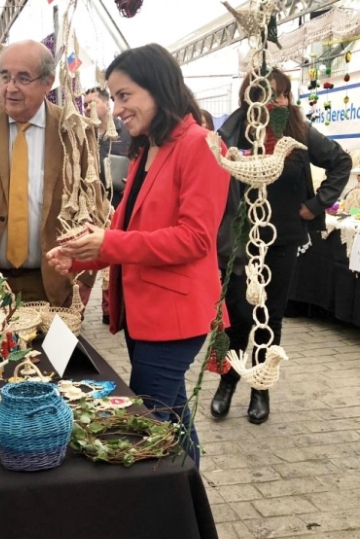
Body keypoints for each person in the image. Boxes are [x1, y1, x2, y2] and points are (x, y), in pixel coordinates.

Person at [46, 44, 230, 467]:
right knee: (174, 419)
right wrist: (82, 256)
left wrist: (106, 244)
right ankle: (189, 502)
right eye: (113, 97)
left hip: (174, 317)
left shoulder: (200, 144)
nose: (116, 107)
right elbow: (132, 234)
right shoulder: (150, 147)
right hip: (147, 312)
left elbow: (195, 239)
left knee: (150, 425)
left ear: (158, 88)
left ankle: (173, 510)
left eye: (124, 95)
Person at [210, 68, 351, 425]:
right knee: (236, 314)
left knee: (269, 316)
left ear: (289, 99)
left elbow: (340, 162)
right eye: (266, 95)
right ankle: (227, 380)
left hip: (283, 239)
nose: (275, 102)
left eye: (282, 95)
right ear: (249, 97)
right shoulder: (234, 129)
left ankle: (261, 388)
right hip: (239, 242)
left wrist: (316, 205)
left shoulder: (298, 132)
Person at [0, 39, 106, 305]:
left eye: (22, 78)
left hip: (51, 285)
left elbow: (94, 209)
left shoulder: (73, 130)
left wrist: (86, 280)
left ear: (47, 82)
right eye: (5, 76)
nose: (10, 88)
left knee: (52, 349)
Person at [84, 86, 133, 325]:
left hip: (120, 200)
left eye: (93, 103)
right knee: (96, 258)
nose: (89, 108)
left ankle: (111, 309)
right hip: (94, 205)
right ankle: (93, 309)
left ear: (106, 104)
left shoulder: (127, 132)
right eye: (85, 104)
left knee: (117, 255)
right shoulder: (85, 133)